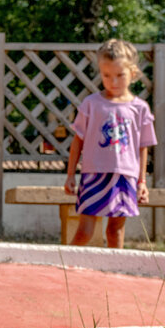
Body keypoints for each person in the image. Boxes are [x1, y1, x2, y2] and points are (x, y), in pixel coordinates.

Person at [63, 38, 157, 248]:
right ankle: (65, 265)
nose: (113, 82)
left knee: (115, 231)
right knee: (85, 232)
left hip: (125, 178)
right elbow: (77, 143)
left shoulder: (140, 108)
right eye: (106, 75)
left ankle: (116, 267)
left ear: (132, 73)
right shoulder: (91, 104)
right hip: (93, 176)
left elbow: (143, 147)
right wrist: (70, 175)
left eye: (120, 75)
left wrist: (142, 182)